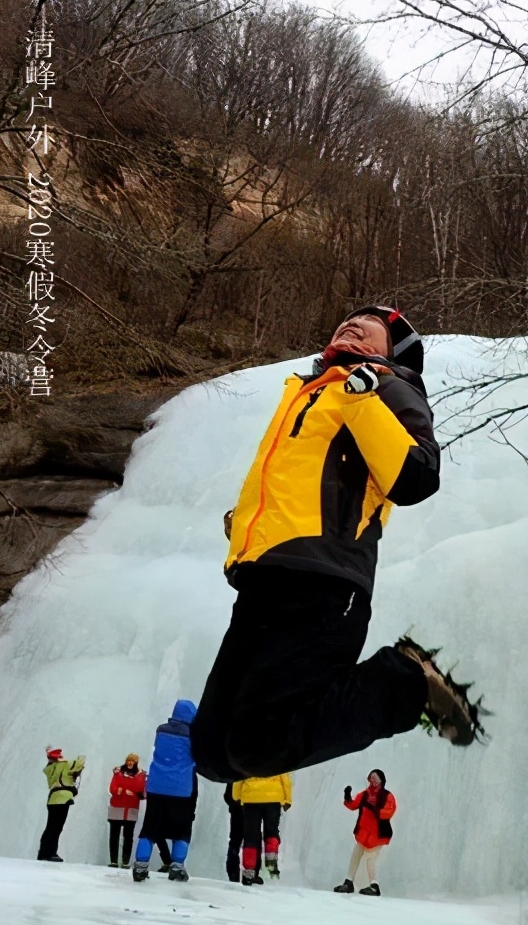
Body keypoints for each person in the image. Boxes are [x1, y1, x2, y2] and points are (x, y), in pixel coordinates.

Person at [191, 305, 485, 785]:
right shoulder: (307, 392)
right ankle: (397, 686)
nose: (352, 323)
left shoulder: (388, 385)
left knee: (259, 746)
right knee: (212, 753)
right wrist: (245, 525)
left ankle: (407, 684)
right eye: (347, 319)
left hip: (324, 582)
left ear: (391, 352)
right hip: (264, 580)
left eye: (370, 327)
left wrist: (364, 398)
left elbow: (416, 476)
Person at [132, 700, 198, 883]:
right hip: (181, 789)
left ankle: (140, 866)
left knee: (150, 827)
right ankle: (177, 866)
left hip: (156, 785)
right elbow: (197, 758)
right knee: (182, 828)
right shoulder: (193, 735)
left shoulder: (161, 730)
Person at [334, 769, 396, 897]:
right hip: (363, 832)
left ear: (381, 780)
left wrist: (376, 810)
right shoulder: (365, 794)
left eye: (376, 778)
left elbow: (389, 811)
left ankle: (374, 885)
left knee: (370, 859)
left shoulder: (387, 796)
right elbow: (353, 805)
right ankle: (349, 882)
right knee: (355, 856)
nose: (373, 780)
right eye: (371, 777)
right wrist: (347, 797)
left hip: (377, 834)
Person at [231, 773, 292, 885]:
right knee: (271, 831)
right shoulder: (278, 754)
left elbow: (239, 773)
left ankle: (249, 873)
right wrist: (287, 799)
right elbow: (284, 774)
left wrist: (236, 796)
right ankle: (271, 865)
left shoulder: (245, 754)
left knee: (251, 836)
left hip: (251, 798)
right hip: (273, 797)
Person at [37, 747, 85, 861]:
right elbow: (80, 763)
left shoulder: (49, 768)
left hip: (53, 798)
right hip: (63, 798)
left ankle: (43, 852)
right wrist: (82, 755)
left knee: (50, 827)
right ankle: (51, 853)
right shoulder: (64, 764)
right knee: (57, 827)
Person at [107, 753, 146, 868]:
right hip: (117, 808)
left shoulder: (141, 775)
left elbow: (142, 792)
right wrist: (120, 791)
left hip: (131, 810)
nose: (130, 763)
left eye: (132, 761)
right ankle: (113, 860)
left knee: (128, 837)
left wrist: (133, 793)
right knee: (114, 835)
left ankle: (125, 861)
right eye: (129, 760)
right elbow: (113, 788)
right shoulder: (118, 773)